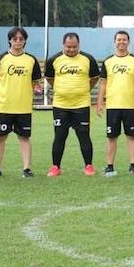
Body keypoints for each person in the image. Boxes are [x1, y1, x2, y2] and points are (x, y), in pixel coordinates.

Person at [0, 27, 42, 177]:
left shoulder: (31, 60)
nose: (18, 41)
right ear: (10, 40)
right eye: (15, 39)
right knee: (0, 137)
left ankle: (27, 168)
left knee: (24, 137)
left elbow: (35, 82)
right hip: (4, 106)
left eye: (21, 39)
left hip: (23, 107)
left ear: (25, 41)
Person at [44, 32, 100, 177]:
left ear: (79, 45)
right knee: (59, 136)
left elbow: (94, 78)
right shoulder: (53, 60)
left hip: (81, 105)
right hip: (60, 106)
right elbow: (50, 78)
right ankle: (55, 167)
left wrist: (83, 90)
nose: (71, 49)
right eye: (68, 47)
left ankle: (88, 166)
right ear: (63, 45)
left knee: (84, 135)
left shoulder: (88, 59)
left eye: (74, 47)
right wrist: (61, 90)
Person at [96, 30, 134, 177]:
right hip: (112, 106)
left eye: (124, 40)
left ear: (128, 42)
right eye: (119, 40)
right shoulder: (108, 61)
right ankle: (110, 166)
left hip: (129, 105)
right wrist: (99, 102)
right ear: (114, 42)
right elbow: (103, 83)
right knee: (111, 137)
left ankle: (133, 165)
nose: (121, 42)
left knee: (131, 136)